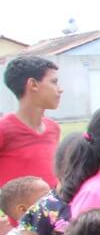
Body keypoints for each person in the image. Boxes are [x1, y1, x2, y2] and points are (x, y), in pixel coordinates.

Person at [0, 54, 63, 189]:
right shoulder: (3, 129)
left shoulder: (54, 128)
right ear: (33, 84)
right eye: (54, 82)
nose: (60, 89)